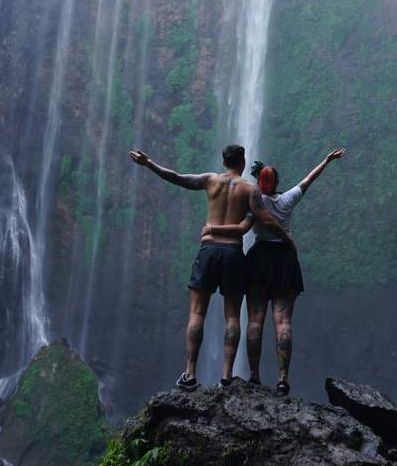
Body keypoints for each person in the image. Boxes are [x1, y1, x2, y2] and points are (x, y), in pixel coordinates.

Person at [129, 144, 294, 389]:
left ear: (224, 161)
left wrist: (149, 163)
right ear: (243, 161)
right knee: (232, 317)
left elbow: (177, 178)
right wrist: (287, 238)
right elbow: (266, 220)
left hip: (208, 250)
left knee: (197, 314)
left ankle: (190, 374)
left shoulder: (210, 180)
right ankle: (226, 377)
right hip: (233, 254)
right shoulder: (250, 189)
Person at [202, 147, 346, 396]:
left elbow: (243, 225)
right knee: (284, 323)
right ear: (277, 182)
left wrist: (212, 230)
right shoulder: (288, 199)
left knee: (255, 321)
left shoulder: (254, 199)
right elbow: (308, 180)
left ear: (258, 182)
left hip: (259, 260)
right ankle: (282, 379)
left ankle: (254, 376)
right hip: (285, 260)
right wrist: (326, 161)